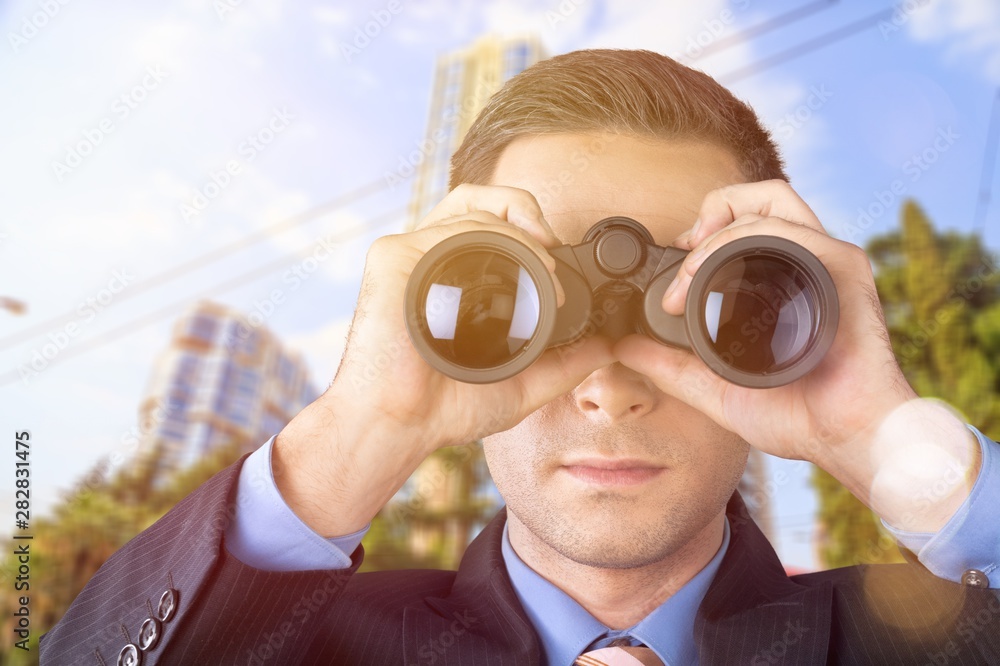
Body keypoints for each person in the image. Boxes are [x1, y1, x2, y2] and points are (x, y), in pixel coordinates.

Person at [42, 49, 1000, 666]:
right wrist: (361, 428)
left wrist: (890, 444)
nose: (608, 389)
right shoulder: (305, 646)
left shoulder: (919, 642)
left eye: (708, 306)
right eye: (523, 304)